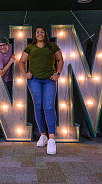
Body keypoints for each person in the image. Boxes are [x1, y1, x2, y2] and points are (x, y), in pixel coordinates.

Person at [19, 26, 64, 155]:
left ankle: (52, 139)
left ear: (45, 34)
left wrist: (58, 74)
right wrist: (25, 73)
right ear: (35, 35)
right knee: (38, 106)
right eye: (38, 32)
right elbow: (21, 61)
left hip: (49, 80)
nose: (40, 33)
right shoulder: (30, 47)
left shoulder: (53, 46)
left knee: (49, 106)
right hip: (34, 80)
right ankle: (43, 135)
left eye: (42, 32)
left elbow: (60, 60)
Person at [0, 36, 15, 139]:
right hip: (2, 82)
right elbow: (0, 73)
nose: (2, 47)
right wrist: (10, 61)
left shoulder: (13, 47)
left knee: (11, 105)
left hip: (13, 81)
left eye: (4, 45)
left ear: (8, 45)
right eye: (0, 46)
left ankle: (9, 128)